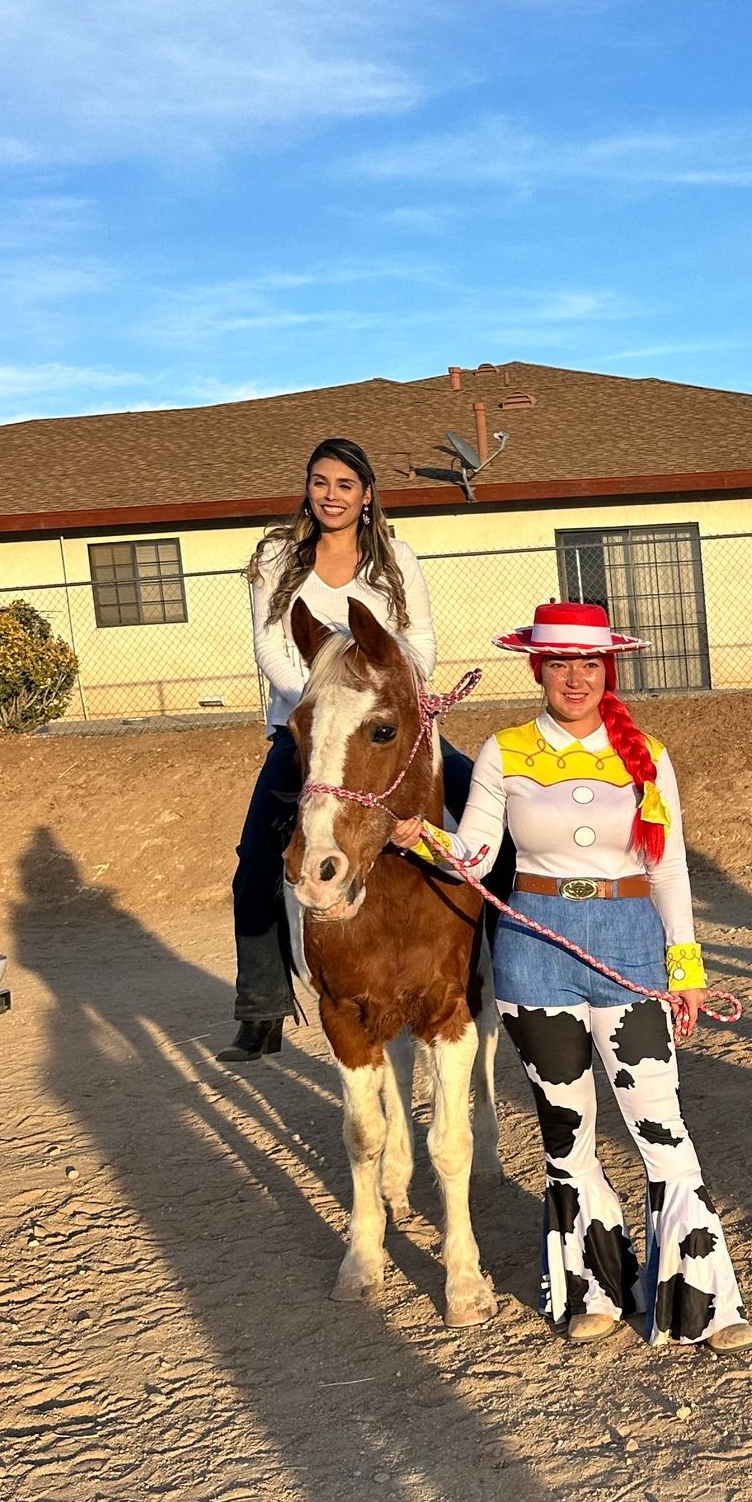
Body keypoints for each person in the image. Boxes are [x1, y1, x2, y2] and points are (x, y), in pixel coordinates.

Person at [392, 601, 752, 1352]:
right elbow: (476, 856)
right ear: (540, 669)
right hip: (534, 953)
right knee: (566, 1135)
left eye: (588, 663)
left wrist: (684, 967)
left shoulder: (645, 752)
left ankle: (705, 1303)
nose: (575, 678)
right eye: (560, 663)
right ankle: (593, 1288)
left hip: (628, 949)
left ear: (607, 668)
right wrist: (421, 836)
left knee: (661, 1128)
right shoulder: (506, 750)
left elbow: (671, 866)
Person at [224, 437, 475, 1063]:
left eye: (344, 485)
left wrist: (383, 686)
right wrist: (322, 699)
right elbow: (270, 646)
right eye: (320, 482)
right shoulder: (279, 557)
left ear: (366, 497)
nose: (330, 495)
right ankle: (262, 1008)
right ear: (307, 489)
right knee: (257, 856)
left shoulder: (395, 559)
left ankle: (494, 969)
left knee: (486, 814)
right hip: (309, 726)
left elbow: (419, 638)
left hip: (387, 721)